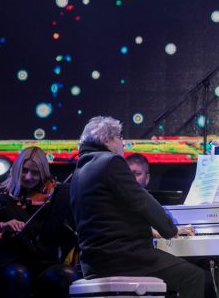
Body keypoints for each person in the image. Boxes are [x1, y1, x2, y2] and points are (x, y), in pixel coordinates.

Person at [70, 116, 204, 297]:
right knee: (194, 277)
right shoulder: (110, 162)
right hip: (123, 260)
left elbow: (108, 219)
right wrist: (170, 229)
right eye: (120, 138)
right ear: (107, 140)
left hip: (93, 264)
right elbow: (142, 201)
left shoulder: (79, 172)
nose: (123, 144)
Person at [0, 147, 76, 298]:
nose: (28, 177)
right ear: (17, 169)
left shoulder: (55, 196)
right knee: (19, 274)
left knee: (67, 274)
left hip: (43, 261)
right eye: (24, 170)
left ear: (43, 174)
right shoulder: (4, 194)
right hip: (10, 260)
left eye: (35, 173)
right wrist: (2, 225)